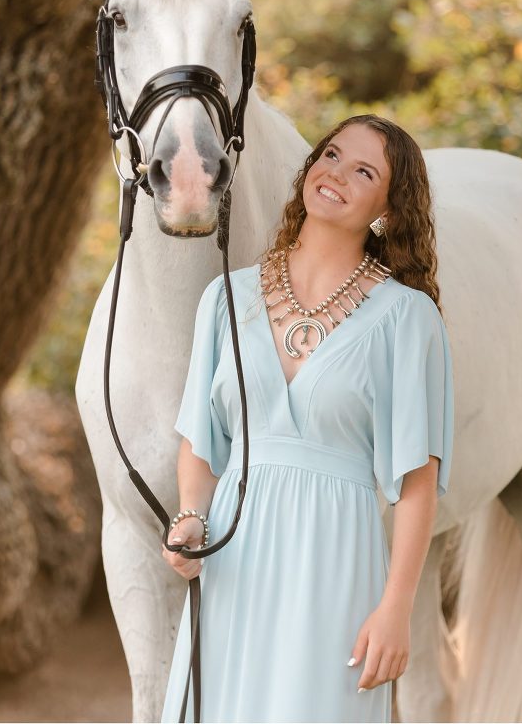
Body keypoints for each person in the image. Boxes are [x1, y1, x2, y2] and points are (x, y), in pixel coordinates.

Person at [161, 114, 454, 724]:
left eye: (364, 171)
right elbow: (200, 439)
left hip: (336, 563)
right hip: (233, 561)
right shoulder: (225, 297)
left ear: (389, 211)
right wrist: (191, 518)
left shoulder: (408, 318)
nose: (336, 174)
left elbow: (417, 483)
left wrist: (396, 609)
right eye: (331, 156)